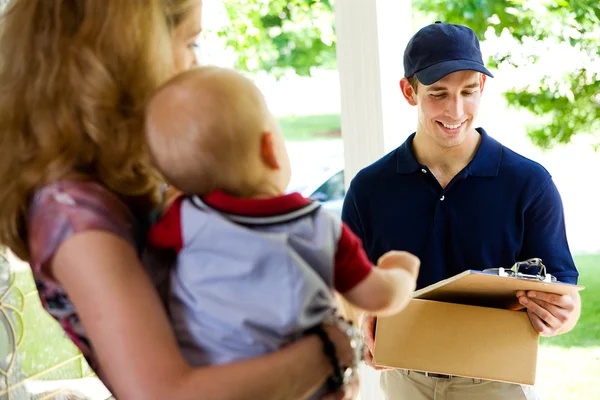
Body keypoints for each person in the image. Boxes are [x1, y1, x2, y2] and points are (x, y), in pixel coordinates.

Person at [0, 1, 360, 399]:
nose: (194, 65)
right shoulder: (75, 211)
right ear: (131, 52)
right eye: (190, 43)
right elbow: (165, 393)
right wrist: (331, 349)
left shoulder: (138, 177)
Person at [144, 66, 420, 397]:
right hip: (310, 386)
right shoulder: (317, 225)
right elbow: (378, 297)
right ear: (269, 149)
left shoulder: (182, 219)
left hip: (221, 383)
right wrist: (401, 271)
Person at [341, 22, 581, 400]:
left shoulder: (529, 183)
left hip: (497, 381)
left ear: (482, 88)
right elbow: (346, 288)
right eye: (438, 93)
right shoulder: (370, 188)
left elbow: (564, 290)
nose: (456, 110)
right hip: (405, 382)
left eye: (468, 91)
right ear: (409, 91)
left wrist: (563, 315)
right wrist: (359, 318)